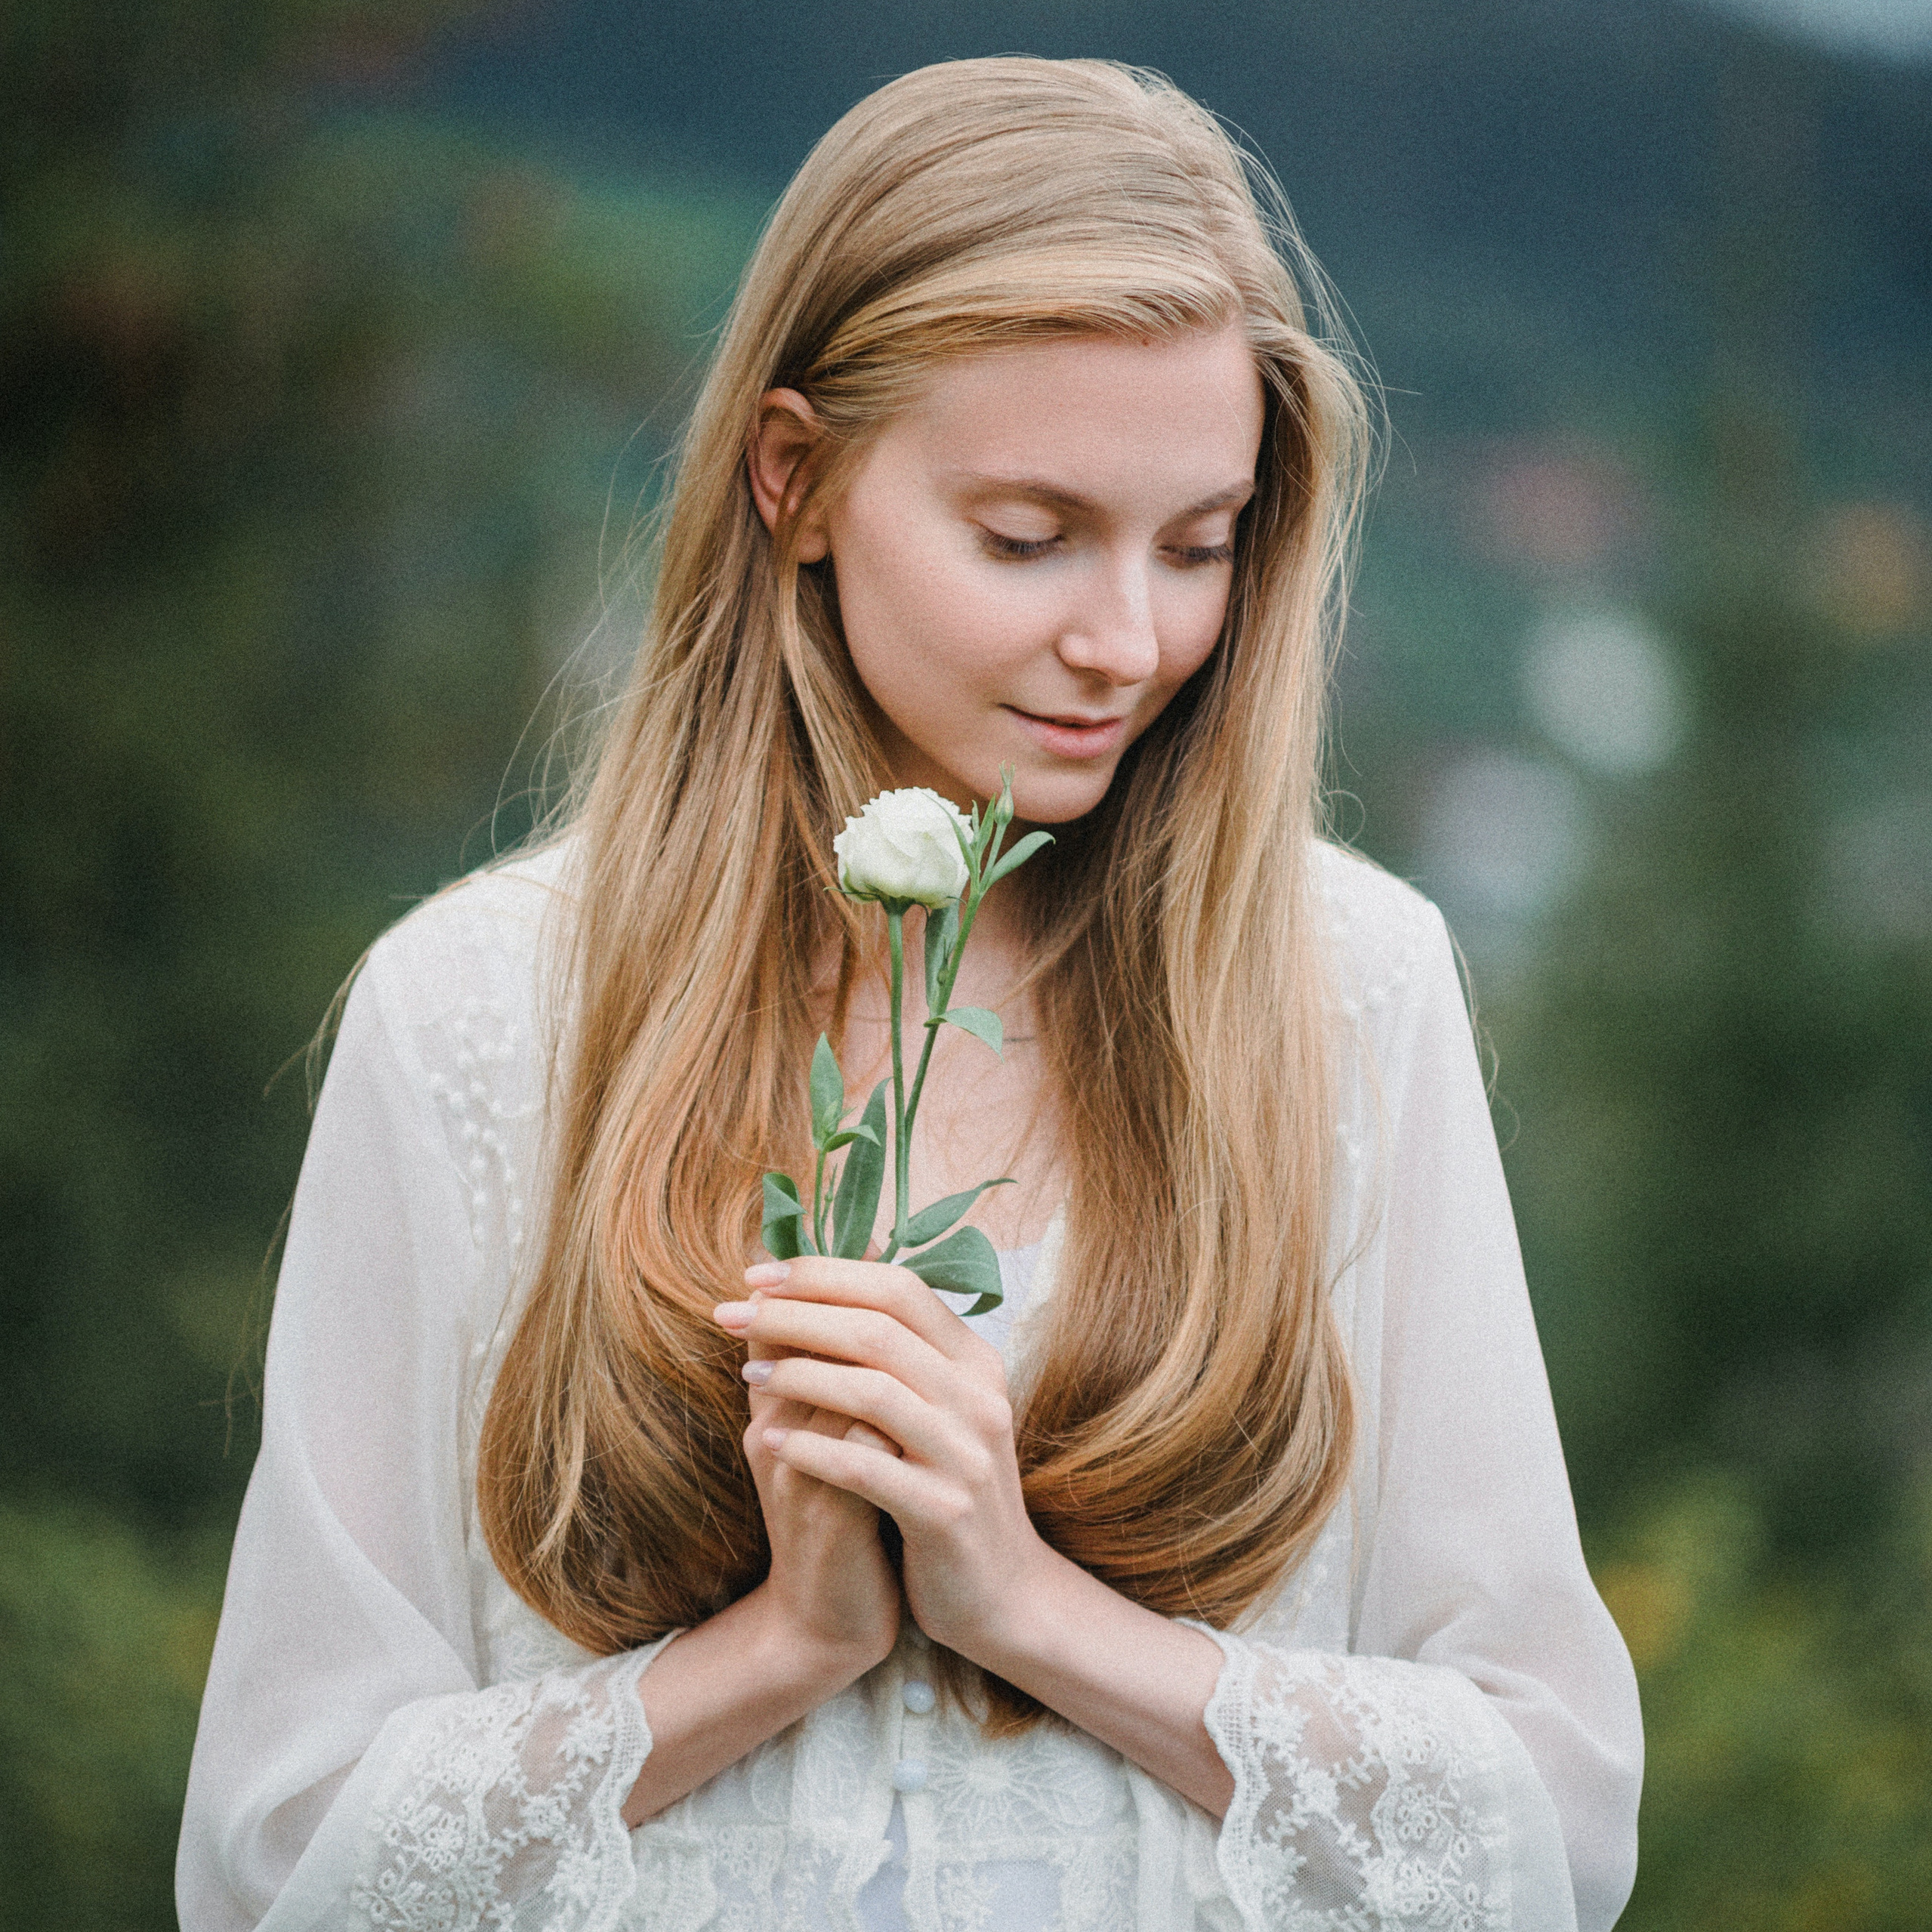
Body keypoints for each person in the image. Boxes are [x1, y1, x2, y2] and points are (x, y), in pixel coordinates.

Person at [177, 55, 1641, 1932]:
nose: (1128, 642)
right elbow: (280, 1858)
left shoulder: (1346, 989)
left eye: (1200, 545)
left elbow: (1552, 1820)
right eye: (1028, 536)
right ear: (793, 479)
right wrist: (783, 1646)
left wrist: (1024, 1605)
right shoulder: (476, 1020)